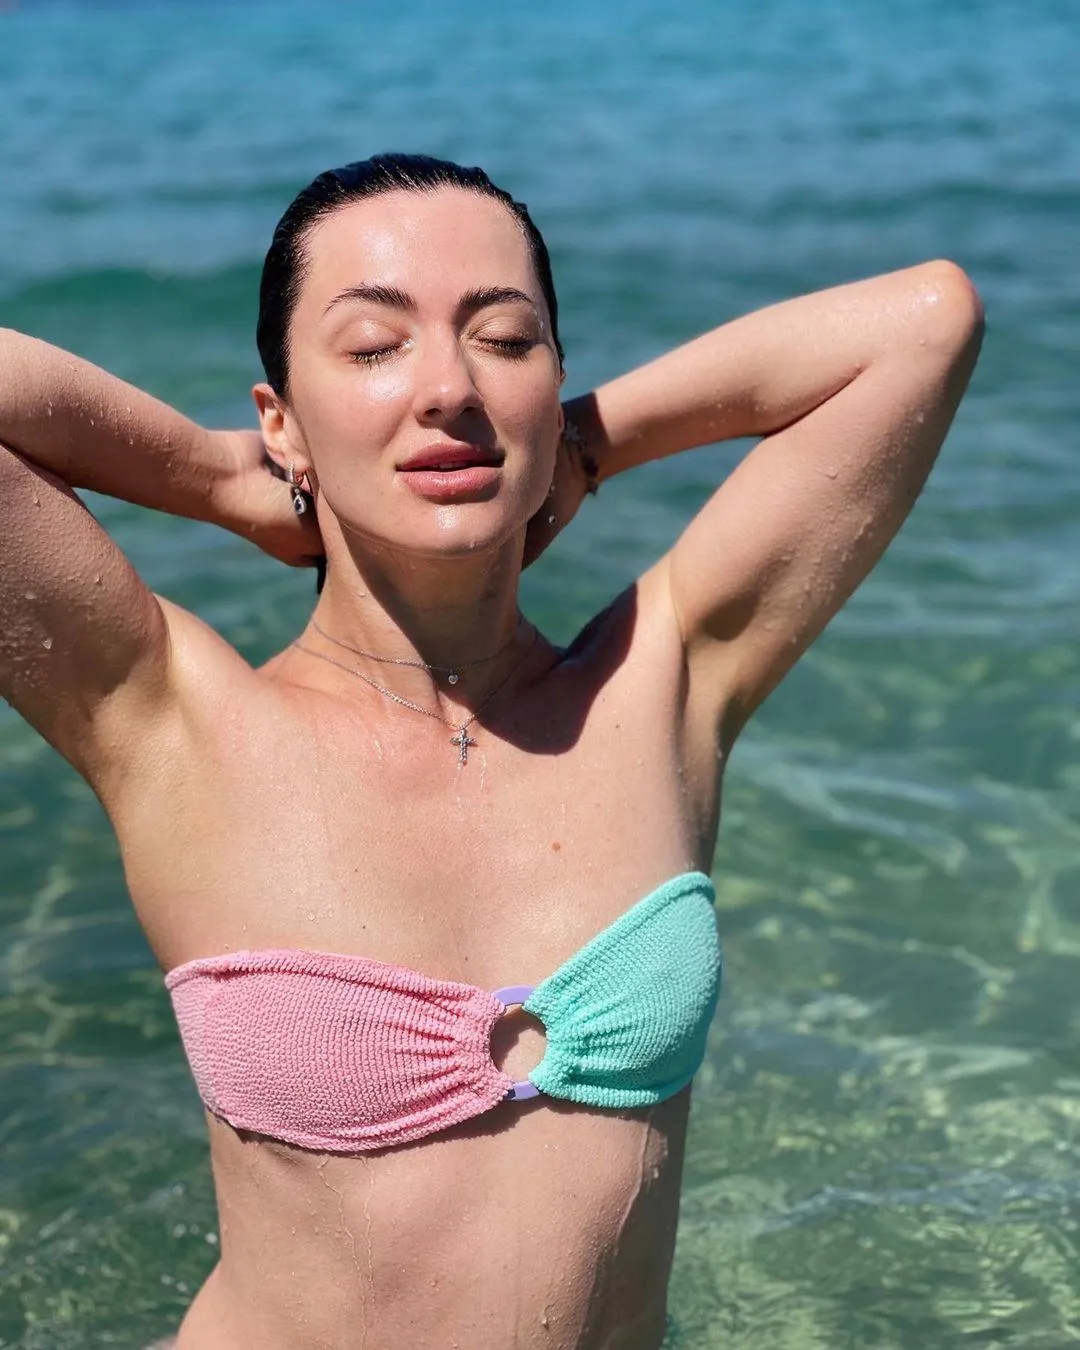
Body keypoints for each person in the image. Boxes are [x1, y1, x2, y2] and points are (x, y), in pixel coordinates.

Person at [0, 154, 983, 1350]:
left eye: (506, 341)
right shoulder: (169, 721)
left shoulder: (660, 688)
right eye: (374, 347)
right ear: (281, 417)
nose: (449, 389)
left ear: (555, 381)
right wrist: (214, 478)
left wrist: (588, 448)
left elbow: (925, 323)